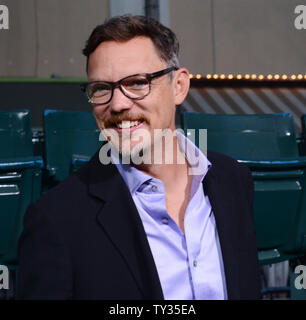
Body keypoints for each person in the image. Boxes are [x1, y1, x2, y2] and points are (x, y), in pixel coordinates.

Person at [16, 15, 260, 300]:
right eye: (101, 89)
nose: (117, 104)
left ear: (179, 86)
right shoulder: (55, 219)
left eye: (136, 82)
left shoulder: (233, 181)